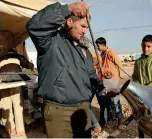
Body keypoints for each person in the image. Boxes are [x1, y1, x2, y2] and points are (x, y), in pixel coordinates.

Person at [27, 2, 117, 138]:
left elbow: (91, 75)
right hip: (59, 112)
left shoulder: (85, 51)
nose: (85, 31)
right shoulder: (49, 42)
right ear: (69, 21)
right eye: (82, 26)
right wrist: (67, 9)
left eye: (87, 27)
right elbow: (34, 25)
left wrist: (103, 87)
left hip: (83, 110)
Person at [0, 48, 34, 138]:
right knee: (18, 107)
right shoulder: (18, 57)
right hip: (16, 82)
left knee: (6, 107)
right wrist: (32, 67)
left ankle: (10, 130)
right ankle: (21, 131)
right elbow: (29, 65)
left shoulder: (1, 57)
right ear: (14, 51)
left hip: (3, 82)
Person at [95, 37, 123, 128]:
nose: (97, 47)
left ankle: (120, 120)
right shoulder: (102, 55)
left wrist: (114, 75)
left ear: (103, 45)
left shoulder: (111, 52)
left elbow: (119, 65)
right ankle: (111, 116)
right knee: (109, 101)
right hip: (106, 81)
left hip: (113, 81)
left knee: (115, 101)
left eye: (98, 45)